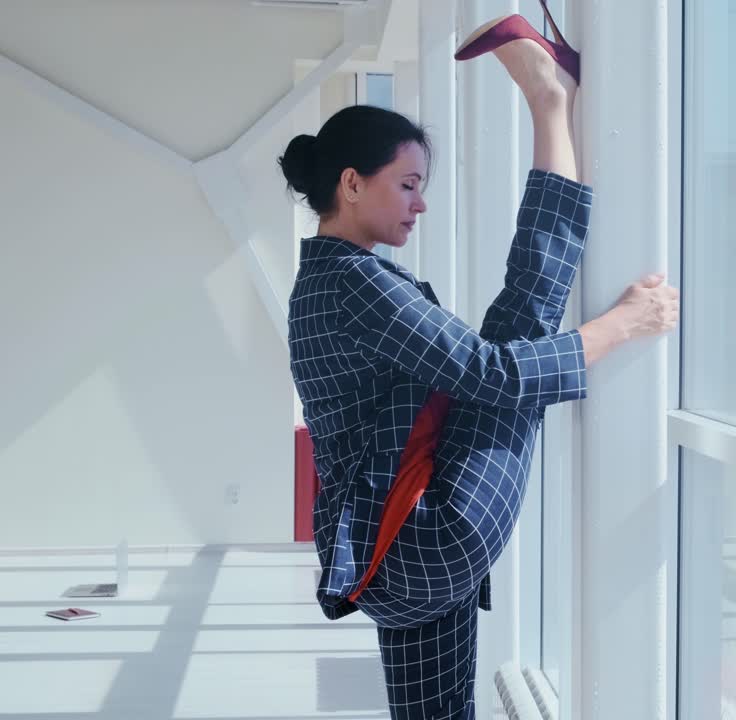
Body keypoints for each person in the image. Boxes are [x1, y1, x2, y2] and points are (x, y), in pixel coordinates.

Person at [281, 5, 679, 717]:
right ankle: (549, 100)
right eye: (407, 185)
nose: (421, 204)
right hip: (427, 533)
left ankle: (551, 98)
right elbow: (494, 374)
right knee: (516, 325)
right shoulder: (351, 281)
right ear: (350, 184)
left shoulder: (326, 280)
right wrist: (624, 324)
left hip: (391, 558)